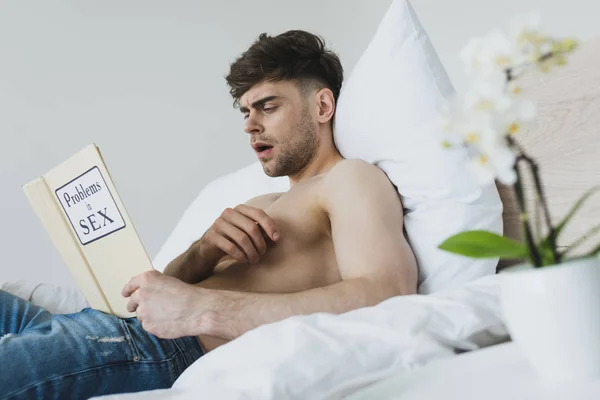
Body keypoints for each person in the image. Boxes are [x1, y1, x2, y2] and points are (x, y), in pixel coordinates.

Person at [0, 30, 417, 399]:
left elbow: (386, 294)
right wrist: (202, 251)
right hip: (112, 321)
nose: (250, 125)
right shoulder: (260, 203)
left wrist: (203, 309)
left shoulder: (350, 179)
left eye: (267, 106)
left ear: (322, 106)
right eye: (245, 111)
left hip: (155, 345)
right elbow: (168, 291)